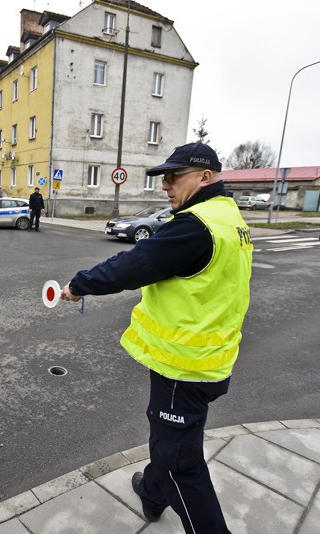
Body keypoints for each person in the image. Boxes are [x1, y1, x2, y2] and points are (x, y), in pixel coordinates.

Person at [60, 143, 253, 533]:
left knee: (181, 463)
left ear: (205, 176)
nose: (165, 185)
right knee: (175, 439)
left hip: (185, 367)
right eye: (162, 177)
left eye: (173, 176)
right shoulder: (227, 216)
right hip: (210, 358)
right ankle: (152, 493)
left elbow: (133, 265)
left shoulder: (196, 225)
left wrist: (79, 285)